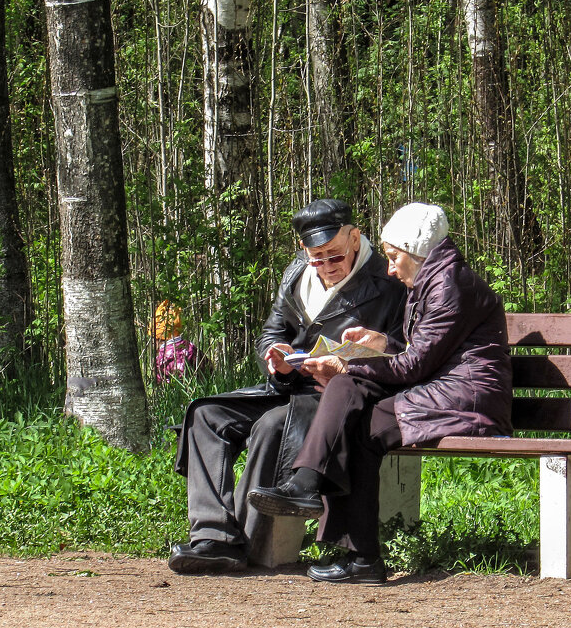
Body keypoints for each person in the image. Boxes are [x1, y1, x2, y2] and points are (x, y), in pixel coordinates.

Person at [248, 202, 513, 584]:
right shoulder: (432, 280)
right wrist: (379, 342)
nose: (389, 268)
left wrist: (348, 364)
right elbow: (413, 349)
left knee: (349, 390)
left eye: (393, 257)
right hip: (441, 390)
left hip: (467, 398)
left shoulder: (449, 285)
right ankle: (358, 554)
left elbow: (414, 366)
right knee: (354, 420)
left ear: (416, 251)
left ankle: (315, 494)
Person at [169, 199, 407, 574]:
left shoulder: (389, 282)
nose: (326, 266)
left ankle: (248, 540)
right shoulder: (297, 273)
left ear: (356, 239)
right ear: (303, 251)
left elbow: (401, 354)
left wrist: (346, 363)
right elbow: (273, 331)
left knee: (271, 425)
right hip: (287, 387)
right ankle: (214, 537)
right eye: (317, 257)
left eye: (335, 256)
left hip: (337, 397)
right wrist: (275, 354)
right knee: (205, 414)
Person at [151, 301, 204, 384]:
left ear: (158, 338)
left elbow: (158, 381)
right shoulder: (190, 347)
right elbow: (208, 368)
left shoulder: (162, 357)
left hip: (173, 393)